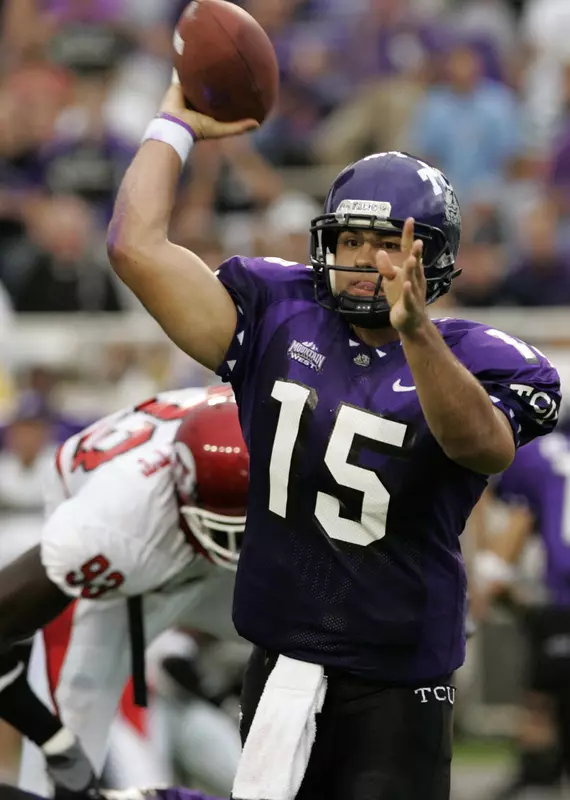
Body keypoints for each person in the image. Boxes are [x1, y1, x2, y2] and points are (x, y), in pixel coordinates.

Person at [106, 78, 562, 800]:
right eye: (350, 240)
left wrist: (416, 335)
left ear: (431, 258)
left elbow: (484, 446)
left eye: (387, 245)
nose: (363, 261)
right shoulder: (276, 313)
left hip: (399, 680)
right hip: (280, 657)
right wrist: (173, 123)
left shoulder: (482, 358)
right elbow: (135, 247)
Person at [0, 386, 248, 798]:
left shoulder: (287, 423)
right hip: (119, 578)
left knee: (331, 649)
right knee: (60, 778)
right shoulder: (107, 529)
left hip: (201, 541)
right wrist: (54, 739)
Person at [473, 428, 570, 798]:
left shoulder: (543, 456)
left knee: (539, 703)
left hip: (558, 602)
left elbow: (513, 522)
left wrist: (492, 581)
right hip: (554, 603)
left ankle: (537, 775)